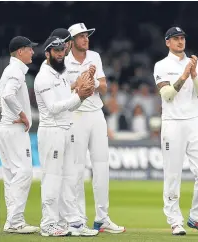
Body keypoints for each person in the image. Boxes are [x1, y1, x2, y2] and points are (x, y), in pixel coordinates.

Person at [65, 22, 125, 234]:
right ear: (71, 41)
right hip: (75, 114)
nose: (86, 39)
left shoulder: (95, 57)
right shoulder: (64, 60)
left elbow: (104, 86)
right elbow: (64, 89)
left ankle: (102, 218)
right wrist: (79, 83)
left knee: (101, 166)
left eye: (87, 35)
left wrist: (92, 79)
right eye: (81, 36)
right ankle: (79, 218)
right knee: (78, 168)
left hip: (96, 113)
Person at [34, 36, 95, 236]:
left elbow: (69, 104)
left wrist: (82, 97)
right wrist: (78, 96)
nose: (60, 54)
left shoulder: (60, 75)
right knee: (51, 179)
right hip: (52, 131)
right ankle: (48, 224)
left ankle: (71, 222)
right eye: (56, 51)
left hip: (65, 128)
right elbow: (52, 108)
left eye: (62, 50)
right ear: (47, 53)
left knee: (69, 179)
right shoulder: (44, 77)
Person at [153, 26, 198, 235]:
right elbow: (167, 95)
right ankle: (175, 220)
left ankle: (196, 216)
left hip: (194, 120)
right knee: (172, 174)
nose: (180, 42)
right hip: (172, 122)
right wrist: (185, 75)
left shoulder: (194, 63)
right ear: (167, 42)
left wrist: (194, 74)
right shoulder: (161, 65)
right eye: (176, 39)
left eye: (182, 38)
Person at [0, 36, 39, 234]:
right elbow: (6, 95)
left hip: (5, 127)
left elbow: (0, 93)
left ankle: (14, 220)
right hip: (14, 129)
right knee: (24, 172)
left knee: (11, 174)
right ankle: (14, 221)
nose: (33, 52)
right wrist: (21, 114)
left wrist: (5, 113)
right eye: (30, 49)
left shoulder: (9, 69)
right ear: (20, 51)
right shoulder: (16, 70)